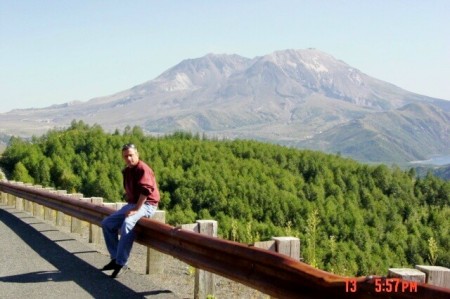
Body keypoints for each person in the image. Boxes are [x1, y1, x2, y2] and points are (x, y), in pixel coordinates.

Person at [101, 143, 160, 278]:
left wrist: (136, 209)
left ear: (137, 155)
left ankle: (122, 263)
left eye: (131, 155)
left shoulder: (143, 169)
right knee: (107, 223)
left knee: (127, 223)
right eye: (125, 156)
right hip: (133, 203)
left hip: (147, 204)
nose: (128, 158)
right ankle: (115, 258)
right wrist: (131, 204)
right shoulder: (127, 170)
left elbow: (146, 191)